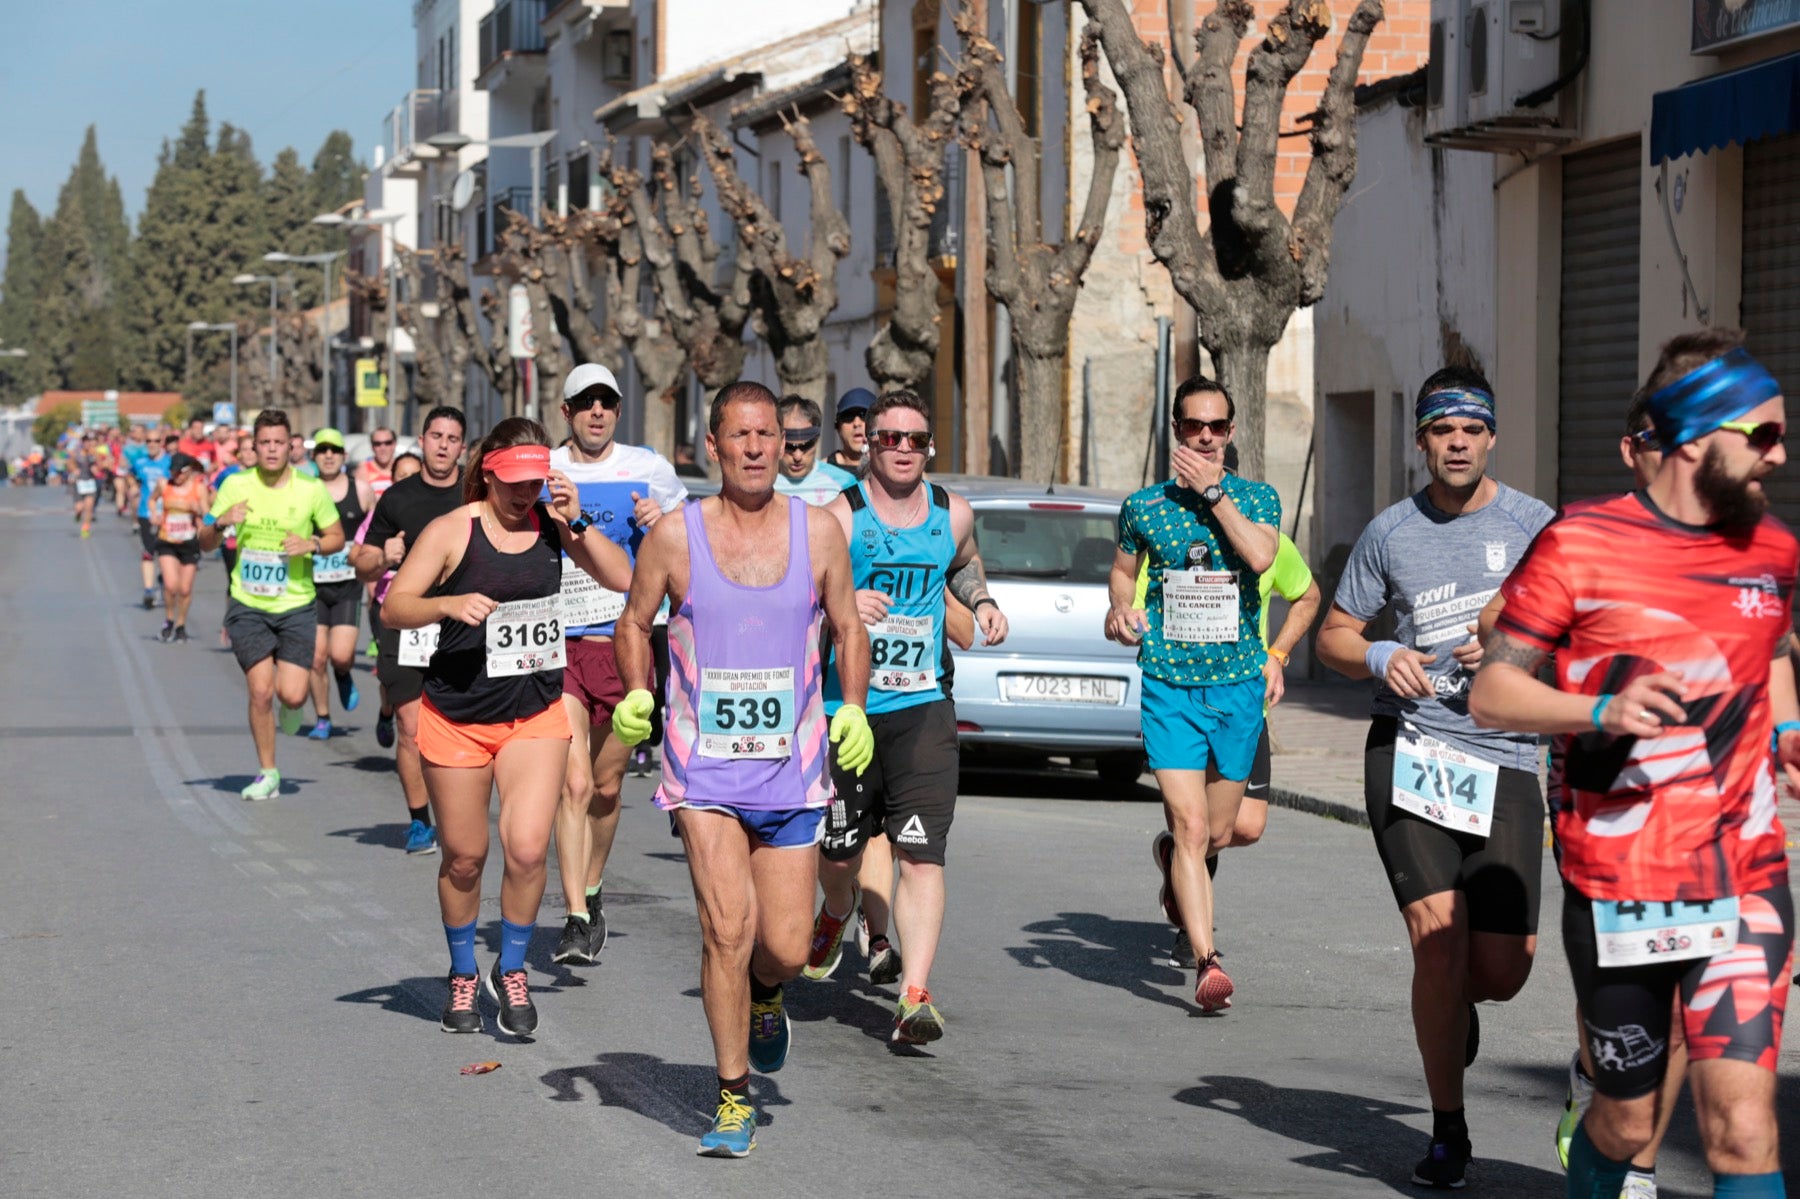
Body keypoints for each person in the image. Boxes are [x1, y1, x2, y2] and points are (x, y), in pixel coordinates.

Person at [1472, 332, 1799, 1199]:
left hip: (1744, 872)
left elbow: (1767, 653)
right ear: (1693, 435)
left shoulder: (1772, 550)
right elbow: (1492, 692)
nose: (1779, 453)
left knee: (1744, 1127)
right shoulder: (1582, 544)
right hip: (1622, 880)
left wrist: (1788, 731)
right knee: (1627, 1122)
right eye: (1762, 435)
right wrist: (1599, 710)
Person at [609, 380, 873, 1156]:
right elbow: (633, 622)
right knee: (728, 926)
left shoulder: (821, 530)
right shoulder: (674, 536)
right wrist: (636, 694)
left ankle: (768, 993)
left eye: (770, 434)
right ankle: (732, 1097)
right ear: (714, 445)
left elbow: (850, 626)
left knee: (785, 945)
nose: (757, 447)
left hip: (792, 771)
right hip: (704, 773)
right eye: (741, 435)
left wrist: (851, 705)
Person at [1314, 366, 1553, 1188]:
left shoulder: (1535, 526)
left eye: (1471, 428)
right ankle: (1448, 1126)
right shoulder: (1391, 533)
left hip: (1509, 756)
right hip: (1411, 750)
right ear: (1421, 440)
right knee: (1436, 938)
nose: (1457, 441)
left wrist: (1520, 651)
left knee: (1502, 970)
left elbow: (1578, 630)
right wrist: (1382, 652)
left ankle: (1457, 1014)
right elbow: (1334, 636)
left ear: (1491, 437)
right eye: (1441, 428)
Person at [381, 417, 632, 1038]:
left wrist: (577, 520)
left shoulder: (554, 525)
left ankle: (511, 971)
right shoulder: (452, 530)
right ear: (489, 472)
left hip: (534, 712)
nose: (527, 494)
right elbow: (395, 605)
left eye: (537, 482)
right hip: (458, 715)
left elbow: (623, 578)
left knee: (525, 849)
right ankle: (463, 974)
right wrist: (446, 604)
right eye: (516, 482)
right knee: (466, 858)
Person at [805, 389, 1007, 1044]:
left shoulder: (951, 513)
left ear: (928, 449)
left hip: (923, 705)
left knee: (921, 854)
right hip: (848, 710)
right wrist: (841, 605)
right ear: (869, 444)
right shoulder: (839, 516)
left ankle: (914, 993)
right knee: (839, 851)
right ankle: (836, 912)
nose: (900, 449)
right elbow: (798, 601)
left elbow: (965, 561)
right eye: (889, 437)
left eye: (913, 440)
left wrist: (980, 602)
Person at [1105, 378, 1280, 1016]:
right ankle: (1207, 961)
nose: (1204, 436)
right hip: (1169, 683)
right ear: (1175, 430)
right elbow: (1122, 574)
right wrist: (1121, 610)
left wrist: (1214, 493)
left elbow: (1261, 558)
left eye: (1216, 427)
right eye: (1192, 426)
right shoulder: (1144, 506)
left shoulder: (1258, 498)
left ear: (1230, 433)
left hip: (1236, 686)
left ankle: (1172, 862)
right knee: (1191, 824)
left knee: (1223, 832)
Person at [1143, 442, 1321, 970]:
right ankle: (1200, 946)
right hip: (1181, 701)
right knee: (1194, 825)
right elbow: (1135, 603)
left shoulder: (1266, 540)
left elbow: (1307, 596)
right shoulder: (1172, 539)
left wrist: (1279, 653)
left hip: (1244, 706)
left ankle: (1178, 856)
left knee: (1241, 829)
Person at [546, 363, 687, 966]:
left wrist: (661, 522)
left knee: (605, 788)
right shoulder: (546, 469)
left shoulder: (648, 467)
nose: (597, 412)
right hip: (555, 643)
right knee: (572, 783)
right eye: (586, 403)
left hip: (624, 642)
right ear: (567, 412)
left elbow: (689, 536)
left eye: (607, 402)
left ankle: (594, 888)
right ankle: (575, 916)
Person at [198, 410, 346, 801]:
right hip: (247, 603)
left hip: (296, 605)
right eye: (264, 443)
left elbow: (336, 536)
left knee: (293, 695)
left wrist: (311, 544)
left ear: (290, 445)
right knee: (260, 692)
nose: (271, 449)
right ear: (254, 446)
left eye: (279, 442)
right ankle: (268, 772)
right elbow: (203, 540)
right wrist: (220, 522)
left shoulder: (310, 488)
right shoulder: (236, 484)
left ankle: (293, 706)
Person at [352, 407, 469, 855]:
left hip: (464, 623)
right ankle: (420, 821)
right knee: (411, 726)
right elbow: (362, 562)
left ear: (462, 446)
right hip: (405, 622)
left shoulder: (474, 494)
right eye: (435, 435)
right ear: (421, 440)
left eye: (452, 438)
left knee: (462, 727)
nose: (443, 444)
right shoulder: (397, 498)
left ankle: (459, 813)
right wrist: (384, 555)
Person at [303, 429, 375, 740]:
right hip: (311, 585)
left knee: (341, 655)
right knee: (316, 657)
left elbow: (376, 529)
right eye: (322, 450)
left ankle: (343, 674)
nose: (329, 455)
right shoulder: (304, 491)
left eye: (334, 450)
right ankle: (322, 717)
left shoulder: (360, 490)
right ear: (314, 457)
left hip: (347, 584)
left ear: (344, 456)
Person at [150, 452, 212, 643]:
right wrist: (154, 514)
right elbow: (152, 500)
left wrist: (198, 509)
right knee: (170, 585)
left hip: (189, 542)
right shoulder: (164, 484)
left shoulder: (198, 488)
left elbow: (208, 513)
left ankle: (181, 624)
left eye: (180, 473)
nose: (176, 477)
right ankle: (169, 619)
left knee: (185, 589)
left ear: (188, 472)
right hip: (167, 540)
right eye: (173, 472)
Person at [775, 396, 857, 504]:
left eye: (806, 446)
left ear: (816, 440)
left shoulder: (845, 483)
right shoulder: (759, 484)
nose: (797, 456)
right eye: (789, 447)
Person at [130, 428, 173, 610]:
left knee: (166, 552)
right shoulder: (140, 462)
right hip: (146, 513)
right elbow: (132, 476)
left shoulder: (170, 462)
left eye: (156, 441)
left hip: (169, 514)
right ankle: (148, 590)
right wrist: (133, 487)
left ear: (161, 443)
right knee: (148, 552)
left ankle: (165, 583)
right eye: (149, 441)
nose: (152, 445)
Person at [827, 387, 872, 472]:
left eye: (865, 416)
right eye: (848, 416)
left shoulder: (892, 472)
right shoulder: (822, 473)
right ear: (837, 426)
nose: (856, 423)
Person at [70, 434, 100, 538]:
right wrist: (74, 469)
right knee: (79, 507)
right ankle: (78, 514)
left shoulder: (94, 453)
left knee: (89, 506)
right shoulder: (76, 453)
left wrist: (96, 468)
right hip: (79, 483)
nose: (87, 444)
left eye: (89, 442)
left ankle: (85, 527)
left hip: (90, 482)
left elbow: (100, 465)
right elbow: (70, 463)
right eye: (85, 442)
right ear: (82, 443)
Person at [359, 427, 401, 496]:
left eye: (388, 443)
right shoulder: (363, 470)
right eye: (377, 444)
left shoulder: (402, 467)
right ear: (372, 446)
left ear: (394, 444)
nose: (383, 448)